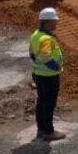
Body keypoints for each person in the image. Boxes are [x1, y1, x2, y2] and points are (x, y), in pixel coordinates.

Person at [28, 7, 65, 141]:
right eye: (55, 21)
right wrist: (55, 67)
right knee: (49, 103)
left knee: (42, 101)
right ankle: (49, 132)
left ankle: (41, 129)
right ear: (48, 22)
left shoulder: (35, 35)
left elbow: (31, 53)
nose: (56, 23)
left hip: (38, 74)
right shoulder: (46, 39)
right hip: (48, 76)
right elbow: (46, 57)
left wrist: (37, 66)